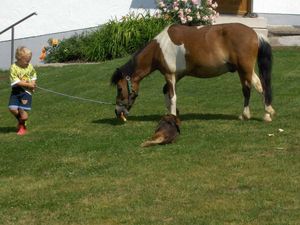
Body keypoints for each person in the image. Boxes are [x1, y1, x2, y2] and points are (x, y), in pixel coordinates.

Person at [8, 46, 37, 135]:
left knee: (22, 110)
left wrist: (32, 83)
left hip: (26, 93)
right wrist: (28, 84)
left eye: (29, 60)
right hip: (16, 92)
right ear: (19, 58)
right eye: (26, 61)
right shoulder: (13, 67)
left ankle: (22, 127)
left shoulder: (29, 66)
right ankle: (22, 121)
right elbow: (15, 81)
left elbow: (33, 75)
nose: (28, 62)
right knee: (12, 108)